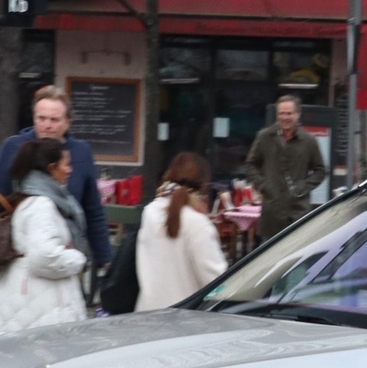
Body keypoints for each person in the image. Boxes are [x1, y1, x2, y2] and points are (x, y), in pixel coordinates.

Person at [0, 85, 110, 276]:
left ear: (67, 122)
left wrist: (105, 259)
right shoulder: (14, 147)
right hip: (20, 255)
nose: (47, 125)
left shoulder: (80, 152)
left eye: (54, 119)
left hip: (67, 254)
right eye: (41, 118)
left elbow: (93, 210)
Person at [0, 136, 89, 336]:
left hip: (27, 298)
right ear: (52, 168)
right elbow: (43, 257)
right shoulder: (42, 206)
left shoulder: (27, 199)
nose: (70, 169)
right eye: (66, 164)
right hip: (41, 302)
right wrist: (77, 258)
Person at [134, 151, 228, 308]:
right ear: (203, 185)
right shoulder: (198, 223)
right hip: (185, 322)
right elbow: (217, 283)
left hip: (147, 314)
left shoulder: (149, 212)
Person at [243, 94, 325, 240]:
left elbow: (320, 171)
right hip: (271, 214)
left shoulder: (308, 141)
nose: (285, 117)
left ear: (298, 114)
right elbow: (250, 164)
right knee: (269, 260)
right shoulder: (264, 137)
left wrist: (303, 186)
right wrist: (263, 185)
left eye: (289, 113)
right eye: (281, 113)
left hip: (298, 213)